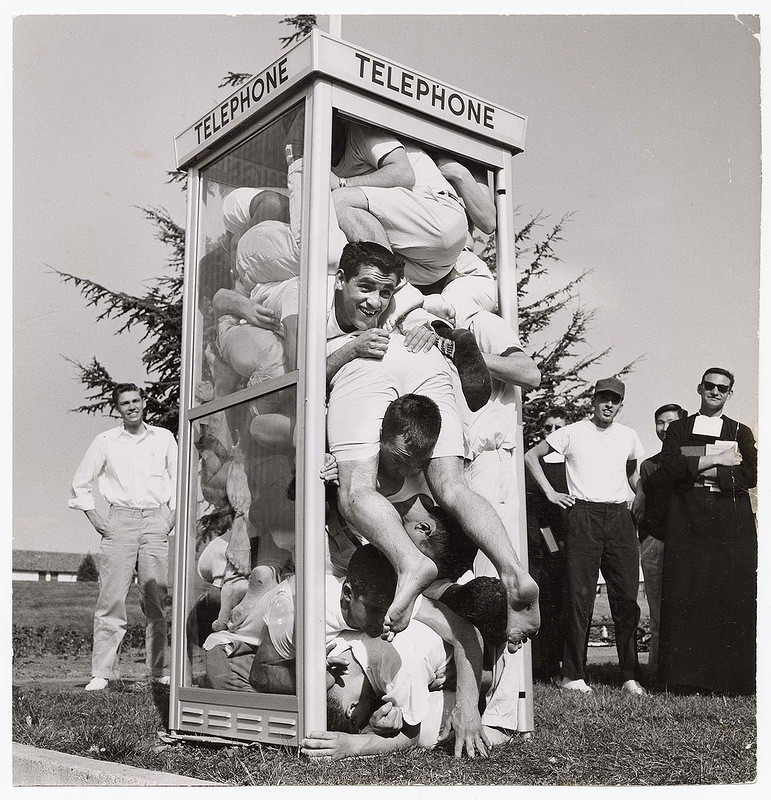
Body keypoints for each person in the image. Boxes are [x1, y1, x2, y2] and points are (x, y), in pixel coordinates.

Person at [326, 276, 540, 651]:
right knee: (455, 488)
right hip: (428, 359)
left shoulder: (328, 298)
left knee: (355, 490)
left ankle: (411, 562)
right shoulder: (416, 298)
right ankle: (513, 571)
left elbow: (306, 378)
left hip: (366, 358)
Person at [524, 377, 646, 696]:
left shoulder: (629, 436)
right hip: (584, 516)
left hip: (620, 517)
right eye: (603, 398)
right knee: (580, 597)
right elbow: (531, 457)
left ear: (621, 405)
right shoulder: (572, 432)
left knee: (626, 598)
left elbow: (634, 473)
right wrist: (550, 492)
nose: (608, 405)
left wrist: (638, 498)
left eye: (615, 400)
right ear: (593, 401)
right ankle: (573, 674)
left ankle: (630, 675)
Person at [69, 383, 177, 690]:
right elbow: (81, 482)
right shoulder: (105, 441)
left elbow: (180, 477)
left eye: (136, 400)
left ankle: (157, 672)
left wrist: (171, 516)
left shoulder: (164, 438)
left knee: (155, 600)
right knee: (111, 599)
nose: (132, 406)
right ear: (118, 409)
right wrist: (95, 518)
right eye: (125, 403)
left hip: (155, 520)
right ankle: (103, 673)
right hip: (120, 521)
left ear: (144, 403)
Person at [657, 369, 757, 695]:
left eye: (722, 388)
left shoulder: (740, 431)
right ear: (700, 388)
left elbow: (749, 473)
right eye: (710, 386)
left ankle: (728, 681)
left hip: (728, 522)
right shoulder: (678, 428)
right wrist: (719, 458)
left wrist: (698, 460)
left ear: (730, 393)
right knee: (686, 595)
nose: (715, 392)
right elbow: (671, 466)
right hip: (686, 521)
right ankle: (685, 680)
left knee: (728, 597)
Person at [330, 115, 468, 288]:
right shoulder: (326, 157)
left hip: (439, 214)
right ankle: (406, 297)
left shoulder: (360, 130)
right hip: (431, 267)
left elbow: (404, 173)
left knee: (337, 201)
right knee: (350, 258)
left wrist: (343, 183)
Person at [632, 403, 687, 678]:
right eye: (660, 423)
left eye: (671, 422)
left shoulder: (693, 457)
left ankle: (687, 672)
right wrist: (640, 489)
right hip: (655, 543)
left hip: (688, 545)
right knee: (657, 613)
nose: (665, 428)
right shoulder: (649, 465)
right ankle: (657, 671)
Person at [524, 410, 570, 681]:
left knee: (558, 602)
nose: (553, 430)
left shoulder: (570, 463)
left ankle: (555, 664)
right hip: (534, 540)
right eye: (548, 426)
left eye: (559, 426)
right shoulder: (531, 463)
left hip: (561, 541)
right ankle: (536, 665)